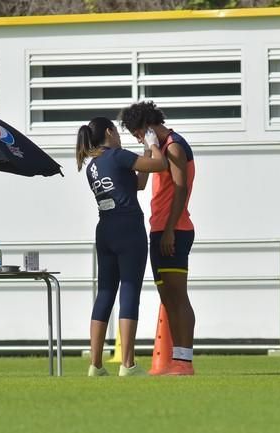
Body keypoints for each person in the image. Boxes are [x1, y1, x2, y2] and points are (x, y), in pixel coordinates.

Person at [76, 116, 167, 377]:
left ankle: (95, 364)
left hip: (105, 230)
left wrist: (146, 152)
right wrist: (153, 145)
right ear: (109, 131)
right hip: (128, 229)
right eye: (116, 131)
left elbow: (138, 183)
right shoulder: (118, 155)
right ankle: (127, 364)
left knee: (105, 292)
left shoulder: (93, 165)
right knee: (129, 291)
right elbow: (159, 165)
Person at [119, 101, 196, 376]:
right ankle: (176, 359)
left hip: (175, 229)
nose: (138, 138)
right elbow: (140, 183)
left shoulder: (174, 145)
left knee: (178, 295)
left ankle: (184, 361)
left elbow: (180, 188)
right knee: (167, 295)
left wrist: (171, 229)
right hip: (158, 228)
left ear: (148, 125)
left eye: (138, 133)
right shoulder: (157, 150)